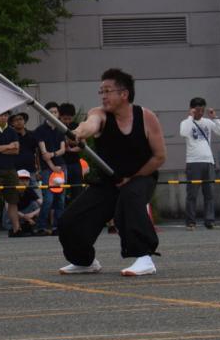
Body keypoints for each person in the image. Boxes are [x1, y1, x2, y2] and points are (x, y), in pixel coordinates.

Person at [57, 68, 166, 277]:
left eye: (107, 91)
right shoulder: (99, 114)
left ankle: (144, 257)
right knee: (69, 221)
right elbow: (88, 126)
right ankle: (84, 261)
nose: (103, 96)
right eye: (101, 92)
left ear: (124, 94)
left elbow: (159, 156)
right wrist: (77, 134)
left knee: (130, 196)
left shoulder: (146, 117)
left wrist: (132, 178)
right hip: (108, 179)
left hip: (141, 176)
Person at [179, 97, 220, 230]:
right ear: (192, 109)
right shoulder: (186, 122)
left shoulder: (208, 122)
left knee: (209, 193)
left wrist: (215, 117)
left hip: (208, 161)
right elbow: (183, 133)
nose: (200, 113)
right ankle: (190, 222)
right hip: (194, 162)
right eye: (198, 110)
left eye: (202, 110)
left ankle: (210, 221)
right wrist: (190, 117)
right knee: (192, 193)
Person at [35, 102, 68, 235]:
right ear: (45, 113)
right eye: (51, 112)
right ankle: (41, 226)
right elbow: (43, 153)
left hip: (62, 166)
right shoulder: (40, 130)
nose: (54, 114)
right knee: (48, 199)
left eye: (56, 112)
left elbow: (63, 149)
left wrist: (53, 155)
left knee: (61, 198)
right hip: (47, 168)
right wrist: (52, 166)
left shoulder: (61, 129)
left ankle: (57, 226)